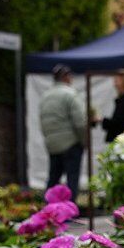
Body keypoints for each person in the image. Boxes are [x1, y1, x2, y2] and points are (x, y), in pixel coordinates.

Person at [39, 64, 88, 199]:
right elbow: (80, 122)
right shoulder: (71, 94)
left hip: (53, 144)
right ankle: (70, 209)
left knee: (53, 178)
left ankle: (48, 209)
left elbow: (42, 121)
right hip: (71, 143)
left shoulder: (45, 96)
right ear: (66, 77)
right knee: (72, 179)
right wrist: (84, 141)